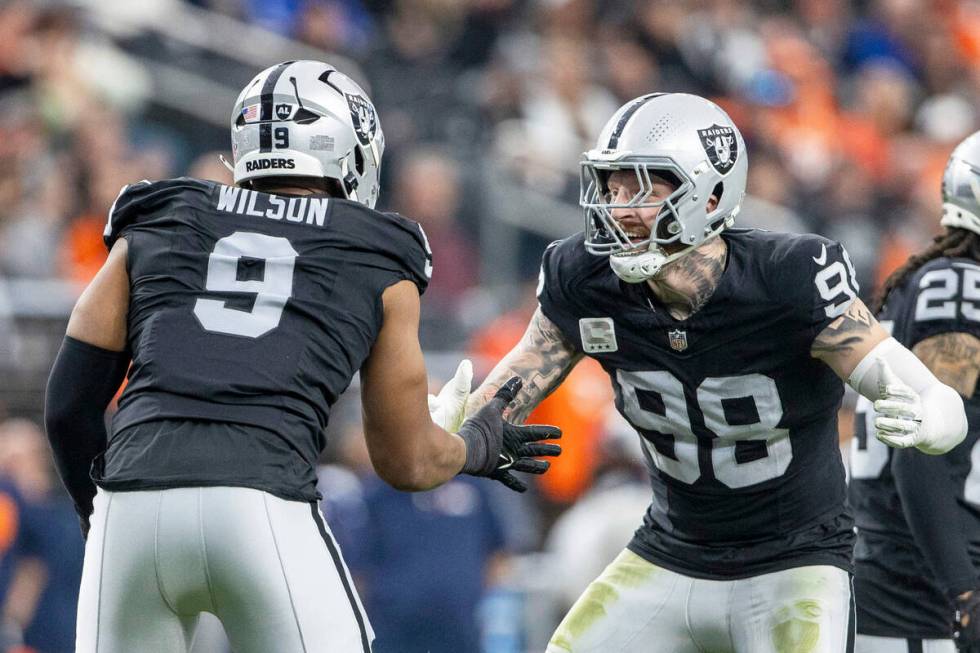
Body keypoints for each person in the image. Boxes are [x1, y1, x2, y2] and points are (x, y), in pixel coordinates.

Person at [42, 59, 560, 653]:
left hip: (129, 502)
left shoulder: (162, 216)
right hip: (260, 501)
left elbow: (67, 406)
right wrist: (472, 447)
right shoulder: (378, 252)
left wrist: (102, 515)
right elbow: (406, 461)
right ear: (352, 151)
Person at [433, 92, 969, 652]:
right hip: (668, 552)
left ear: (710, 193)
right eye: (612, 187)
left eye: (642, 187)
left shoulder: (787, 277)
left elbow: (911, 383)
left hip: (792, 565)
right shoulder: (584, 277)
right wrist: (462, 422)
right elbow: (514, 382)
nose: (619, 207)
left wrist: (935, 413)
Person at [850, 132, 980, 653]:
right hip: (919, 607)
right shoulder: (958, 288)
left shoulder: (940, 281)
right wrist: (965, 592)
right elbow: (920, 450)